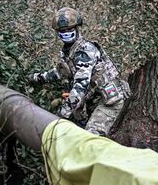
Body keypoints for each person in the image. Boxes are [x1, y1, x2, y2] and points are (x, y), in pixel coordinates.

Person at [28, 7, 129, 136]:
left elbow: (80, 86)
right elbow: (60, 72)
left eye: (69, 29)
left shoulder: (86, 51)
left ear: (76, 28)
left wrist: (60, 116)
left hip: (108, 101)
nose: (66, 33)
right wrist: (37, 78)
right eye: (62, 31)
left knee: (91, 136)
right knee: (78, 126)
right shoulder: (69, 51)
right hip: (93, 98)